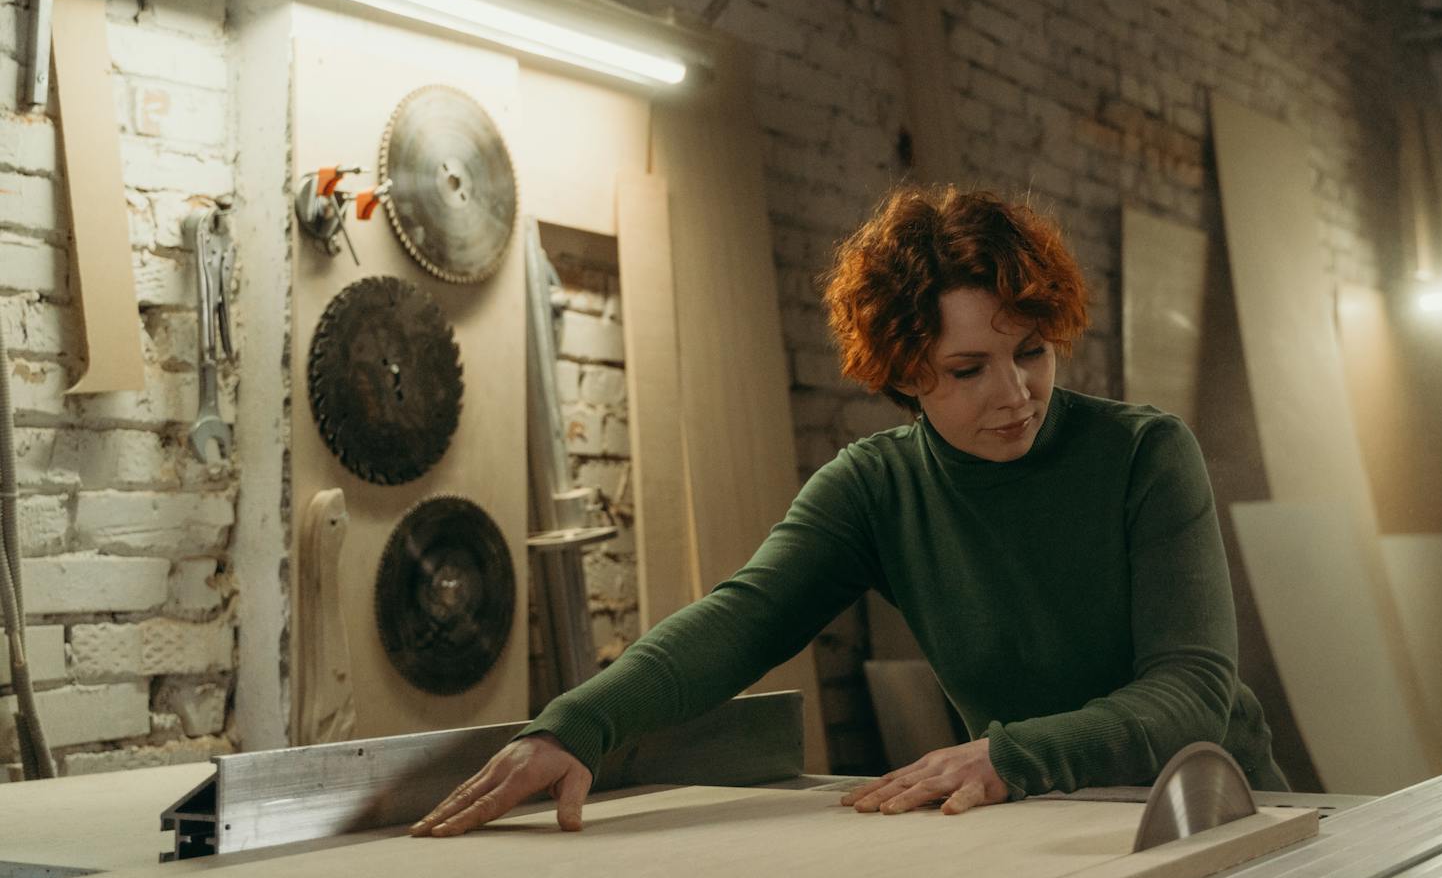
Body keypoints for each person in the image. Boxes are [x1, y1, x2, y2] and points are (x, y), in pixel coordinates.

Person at [412, 185, 1283, 837]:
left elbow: (1192, 692)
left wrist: (1009, 753)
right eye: (971, 368)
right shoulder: (876, 488)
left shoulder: (1143, 456)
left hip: (1213, 811)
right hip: (1037, 821)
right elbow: (741, 619)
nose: (1017, 393)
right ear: (907, 371)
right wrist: (575, 727)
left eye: (1032, 352)